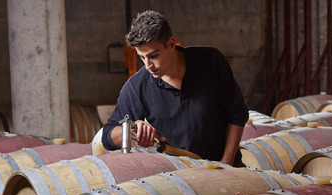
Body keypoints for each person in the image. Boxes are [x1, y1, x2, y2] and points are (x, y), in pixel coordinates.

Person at [101, 10, 249, 165]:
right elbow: (108, 136)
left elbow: (237, 114)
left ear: (171, 44)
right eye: (142, 57)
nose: (147, 65)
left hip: (229, 170)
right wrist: (132, 130)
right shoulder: (137, 86)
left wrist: (226, 165)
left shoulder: (211, 61)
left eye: (153, 56)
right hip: (180, 180)